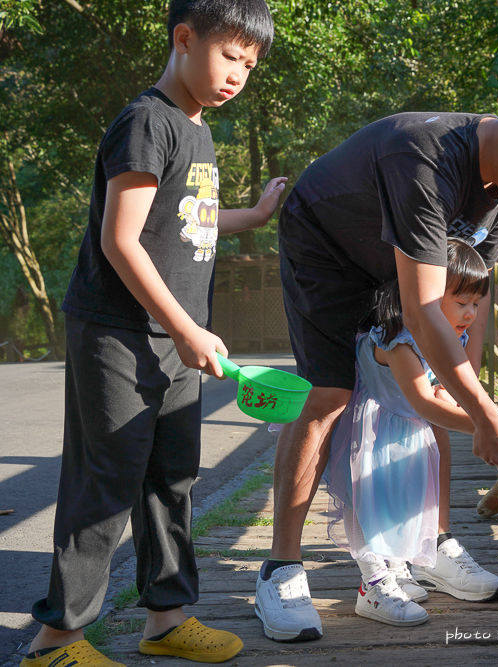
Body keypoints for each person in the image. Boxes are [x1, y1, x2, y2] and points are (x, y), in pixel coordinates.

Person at [256, 79, 498, 642]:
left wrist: (468, 393)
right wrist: (484, 414)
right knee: (329, 395)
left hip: (403, 268)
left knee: (438, 401)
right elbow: (424, 313)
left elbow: (471, 292)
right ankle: (281, 568)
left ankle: (433, 545)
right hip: (326, 248)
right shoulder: (422, 157)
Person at [22, 2, 283, 666]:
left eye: (249, 66)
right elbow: (121, 238)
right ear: (184, 38)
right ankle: (57, 640)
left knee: (172, 476)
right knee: (106, 478)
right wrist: (188, 327)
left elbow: (185, 216)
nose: (237, 76)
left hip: (171, 337)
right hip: (117, 331)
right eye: (230, 56)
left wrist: (249, 215)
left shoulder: (196, 129)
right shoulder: (146, 122)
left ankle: (166, 619)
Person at [317, 238, 490, 629]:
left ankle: (397, 568)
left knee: (402, 498)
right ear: (426, 294)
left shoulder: (451, 338)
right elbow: (426, 402)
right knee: (365, 501)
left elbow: (444, 388)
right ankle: (373, 580)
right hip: (372, 431)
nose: (470, 313)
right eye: (461, 302)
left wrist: (459, 396)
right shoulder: (396, 340)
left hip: (407, 430)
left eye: (476, 305)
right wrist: (485, 426)